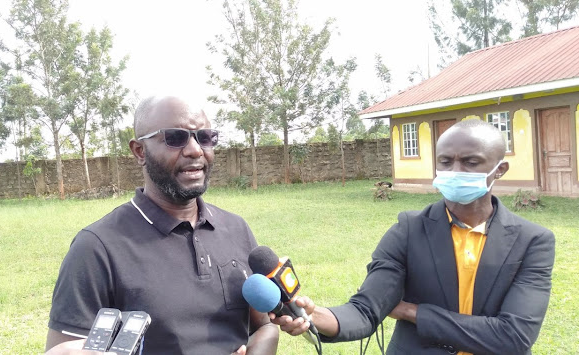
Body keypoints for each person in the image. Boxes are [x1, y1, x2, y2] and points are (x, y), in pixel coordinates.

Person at [272, 119, 555, 355]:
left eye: (470, 162)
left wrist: (412, 312)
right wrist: (314, 315)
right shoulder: (408, 230)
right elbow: (366, 309)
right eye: (445, 161)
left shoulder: (532, 241)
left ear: (500, 169)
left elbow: (514, 336)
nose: (455, 172)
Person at [46, 96, 279, 354]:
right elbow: (63, 348)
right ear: (139, 151)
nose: (195, 150)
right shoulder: (96, 247)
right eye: (175, 138)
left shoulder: (236, 228)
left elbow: (263, 326)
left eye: (204, 137)